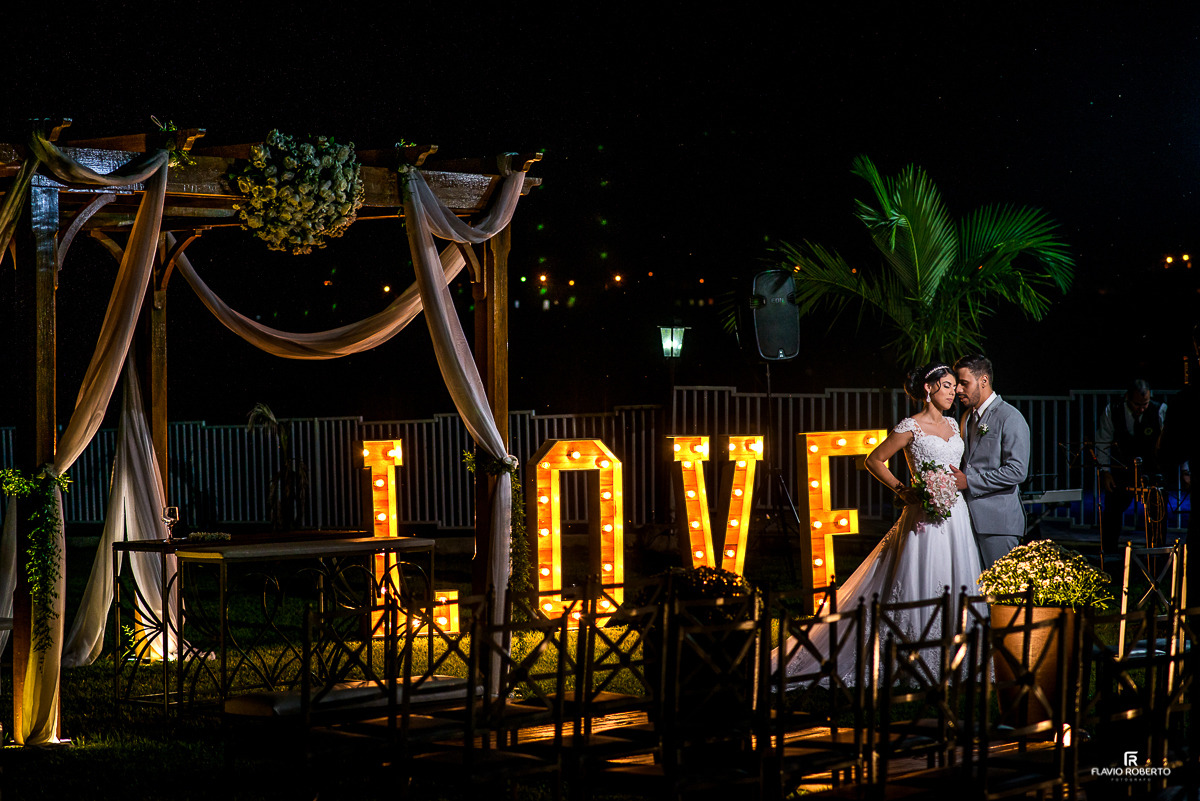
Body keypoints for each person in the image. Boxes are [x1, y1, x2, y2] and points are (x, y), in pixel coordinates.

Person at [775, 362, 983, 680]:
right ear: (928, 389)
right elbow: (873, 460)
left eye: (955, 388)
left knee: (958, 578)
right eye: (946, 386)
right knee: (921, 578)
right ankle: (911, 653)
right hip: (923, 518)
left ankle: (958, 654)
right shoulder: (909, 426)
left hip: (956, 515)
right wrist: (904, 490)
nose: (952, 393)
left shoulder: (955, 426)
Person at [951, 354, 1030, 569]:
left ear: (983, 380)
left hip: (998, 523)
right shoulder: (966, 417)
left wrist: (970, 482)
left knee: (1003, 594)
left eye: (964, 383)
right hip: (967, 520)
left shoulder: (1010, 417)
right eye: (957, 384)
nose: (958, 389)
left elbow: (1017, 471)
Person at [1096, 379, 1170, 554]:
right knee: (1112, 513)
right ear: (1127, 397)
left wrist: (1183, 470)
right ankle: (1109, 555)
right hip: (1121, 470)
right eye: (1137, 404)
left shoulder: (1160, 410)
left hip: (1152, 470)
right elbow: (1102, 443)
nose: (1141, 408)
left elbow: (1171, 441)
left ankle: (1156, 557)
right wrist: (1105, 472)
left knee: (1158, 514)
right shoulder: (1112, 411)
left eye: (1145, 404)